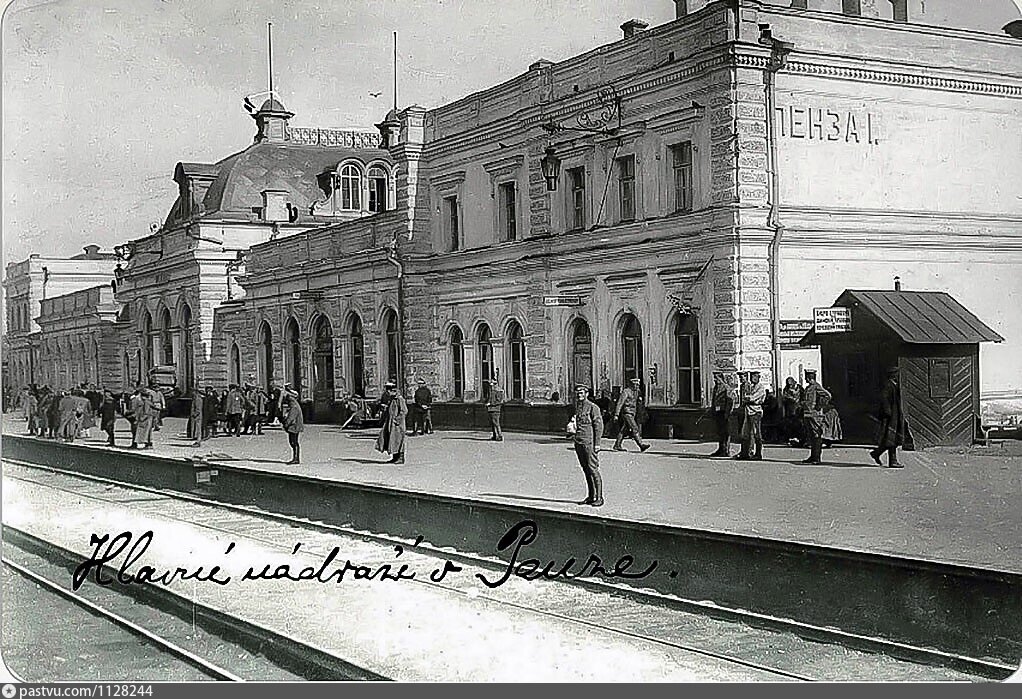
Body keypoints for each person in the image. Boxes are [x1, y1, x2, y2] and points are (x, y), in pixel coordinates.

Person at [572, 384, 604, 507]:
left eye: (581, 392)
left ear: (587, 394)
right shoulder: (578, 407)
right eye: (577, 393)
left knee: (593, 469)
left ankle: (600, 497)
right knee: (585, 470)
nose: (579, 395)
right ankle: (591, 496)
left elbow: (598, 426)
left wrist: (597, 444)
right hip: (579, 442)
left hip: (589, 443)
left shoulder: (593, 407)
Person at [870, 368, 905, 468]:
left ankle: (877, 453)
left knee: (891, 438)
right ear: (893, 375)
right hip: (890, 416)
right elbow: (884, 398)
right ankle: (892, 461)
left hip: (895, 414)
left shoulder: (894, 384)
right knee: (891, 438)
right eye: (897, 374)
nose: (898, 376)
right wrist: (887, 412)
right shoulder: (888, 385)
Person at [801, 369, 831, 465]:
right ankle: (812, 456)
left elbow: (827, 395)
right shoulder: (808, 387)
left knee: (816, 436)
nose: (805, 379)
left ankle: (817, 458)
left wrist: (819, 405)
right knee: (811, 436)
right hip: (808, 414)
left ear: (810, 378)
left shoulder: (816, 387)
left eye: (807, 377)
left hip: (815, 415)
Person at [613, 377, 651, 452]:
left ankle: (617, 445)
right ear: (631, 385)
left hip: (633, 413)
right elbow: (620, 403)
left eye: (638, 385)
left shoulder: (637, 392)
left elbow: (639, 404)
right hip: (627, 413)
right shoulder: (626, 392)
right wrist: (616, 414)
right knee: (635, 428)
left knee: (624, 430)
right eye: (635, 385)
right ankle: (641, 445)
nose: (637, 386)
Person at [735, 371, 767, 460]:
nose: (753, 379)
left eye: (755, 377)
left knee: (757, 433)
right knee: (747, 432)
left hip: (756, 412)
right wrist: (750, 399)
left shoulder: (760, 387)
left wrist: (750, 399)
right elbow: (747, 398)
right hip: (749, 411)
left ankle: (758, 453)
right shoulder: (752, 387)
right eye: (752, 377)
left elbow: (753, 398)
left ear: (758, 378)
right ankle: (747, 453)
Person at [375, 381, 407, 464]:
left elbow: (404, 411)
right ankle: (394, 457)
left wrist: (397, 420)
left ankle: (400, 458)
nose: (388, 392)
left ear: (394, 390)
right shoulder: (392, 399)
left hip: (397, 425)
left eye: (389, 391)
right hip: (390, 423)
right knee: (392, 440)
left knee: (398, 440)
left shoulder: (399, 399)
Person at [709, 372, 735, 457]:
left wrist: (727, 413)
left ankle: (726, 450)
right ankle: (720, 449)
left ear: (721, 378)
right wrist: (712, 409)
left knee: (726, 432)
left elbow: (730, 402)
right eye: (714, 379)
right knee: (720, 432)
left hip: (724, 413)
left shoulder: (726, 388)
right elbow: (714, 400)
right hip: (718, 413)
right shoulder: (716, 388)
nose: (715, 380)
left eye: (716, 378)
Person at [280, 387, 304, 464]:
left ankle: (296, 459)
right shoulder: (294, 405)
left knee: (293, 442)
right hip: (294, 426)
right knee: (293, 442)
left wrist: (286, 424)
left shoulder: (294, 406)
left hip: (294, 426)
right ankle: (295, 458)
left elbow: (291, 417)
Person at [781, 377, 804, 445]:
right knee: (790, 424)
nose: (790, 385)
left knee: (799, 424)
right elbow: (784, 397)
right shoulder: (786, 389)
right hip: (790, 410)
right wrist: (789, 398)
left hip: (798, 409)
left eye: (791, 383)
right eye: (789, 384)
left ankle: (799, 437)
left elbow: (803, 396)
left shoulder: (799, 388)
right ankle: (791, 437)